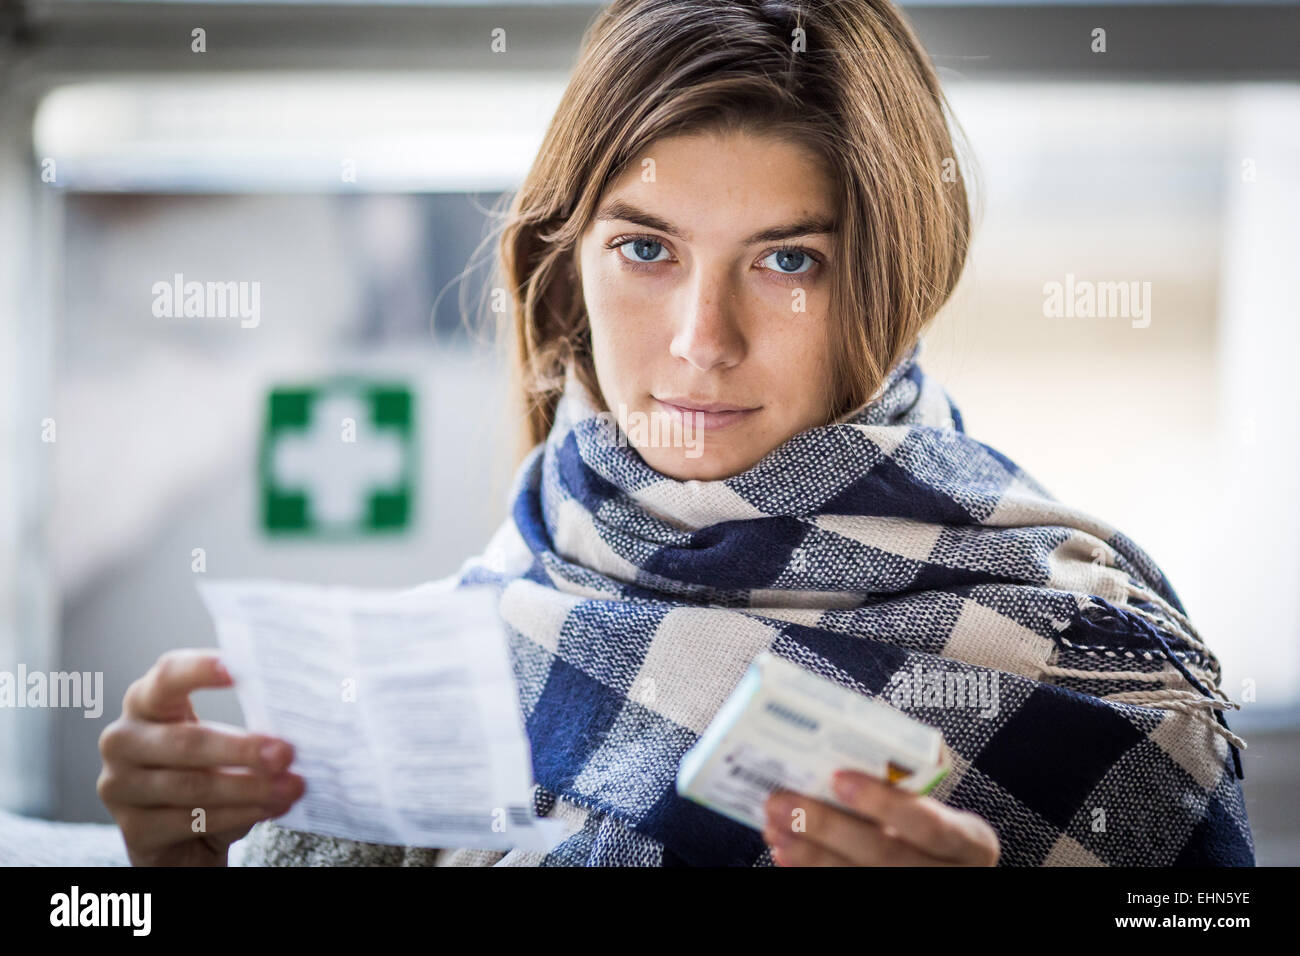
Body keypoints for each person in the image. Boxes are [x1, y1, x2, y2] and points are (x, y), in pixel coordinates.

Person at [97, 0, 1253, 867]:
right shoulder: (467, 627)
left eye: (788, 259)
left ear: (892, 280)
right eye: (646, 249)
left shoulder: (1098, 668)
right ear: (570, 262)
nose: (703, 339)